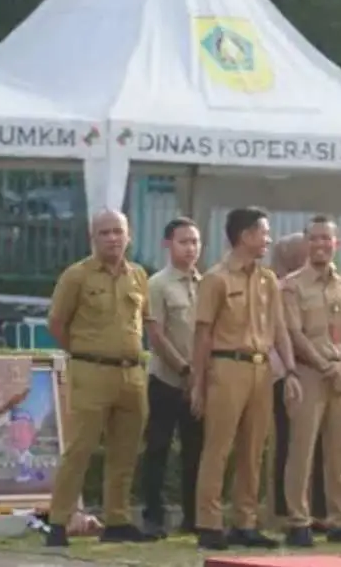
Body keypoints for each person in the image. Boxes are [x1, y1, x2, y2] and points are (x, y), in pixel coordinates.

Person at [191, 206, 303, 551]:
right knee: (218, 448)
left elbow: (279, 328)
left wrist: (291, 370)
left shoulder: (268, 279)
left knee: (254, 449)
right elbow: (203, 335)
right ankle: (208, 523)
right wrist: (198, 383)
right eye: (263, 233)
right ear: (245, 236)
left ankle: (245, 521)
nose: (268, 240)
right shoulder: (216, 278)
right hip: (226, 366)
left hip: (261, 368)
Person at [43, 209, 154, 546]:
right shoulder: (77, 276)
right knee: (80, 449)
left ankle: (117, 519)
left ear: (129, 235)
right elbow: (57, 323)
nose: (112, 239)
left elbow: (144, 321)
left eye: (118, 232)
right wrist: (83, 352)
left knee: (125, 451)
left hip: (131, 373)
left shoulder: (138, 275)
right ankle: (59, 521)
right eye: (104, 233)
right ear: (93, 238)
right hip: (91, 371)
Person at [281, 217, 341, 548]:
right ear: (306, 243)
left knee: (339, 452)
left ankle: (339, 518)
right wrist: (323, 365)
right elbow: (293, 333)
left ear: (337, 244)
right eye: (315, 238)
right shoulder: (292, 285)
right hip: (309, 373)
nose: (321, 244)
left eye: (327, 239)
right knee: (302, 450)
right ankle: (298, 520)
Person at [139, 217, 204, 537]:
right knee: (159, 448)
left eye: (195, 242)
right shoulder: (157, 284)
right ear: (168, 244)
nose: (191, 248)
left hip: (199, 384)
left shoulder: (205, 283)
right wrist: (184, 369)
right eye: (184, 242)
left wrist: (200, 375)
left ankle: (194, 516)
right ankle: (154, 515)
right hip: (166, 380)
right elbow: (156, 334)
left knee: (196, 450)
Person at [270, 233, 326, 528]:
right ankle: (284, 506)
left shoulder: (314, 286)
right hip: (283, 374)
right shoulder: (280, 287)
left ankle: (311, 506)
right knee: (288, 443)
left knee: (308, 444)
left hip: (305, 373)